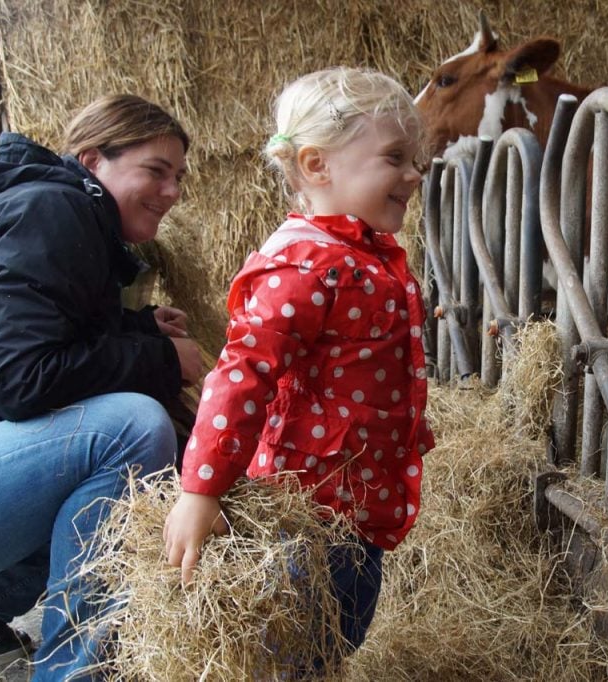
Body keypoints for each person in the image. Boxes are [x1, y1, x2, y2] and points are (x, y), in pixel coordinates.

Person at [163, 67, 435, 669]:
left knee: (334, 640)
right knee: (302, 650)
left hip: (355, 502)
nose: (414, 174)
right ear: (317, 166)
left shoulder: (359, 252)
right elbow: (241, 375)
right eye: (395, 157)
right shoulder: (305, 264)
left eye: (416, 159)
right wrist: (201, 490)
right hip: (312, 512)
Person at [0, 94, 205, 679]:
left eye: (179, 178)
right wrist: (160, 359)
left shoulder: (59, 211)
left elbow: (38, 343)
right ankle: (75, 672)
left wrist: (136, 328)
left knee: (130, 463)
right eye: (155, 172)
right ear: (92, 162)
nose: (172, 193)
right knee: (133, 428)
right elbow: (20, 379)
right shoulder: (52, 212)